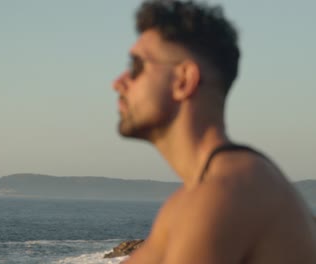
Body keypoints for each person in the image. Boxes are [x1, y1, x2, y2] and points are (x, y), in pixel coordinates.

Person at [112, 0, 316, 263]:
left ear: (183, 80)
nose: (118, 83)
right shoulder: (188, 203)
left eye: (137, 66)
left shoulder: (227, 195)